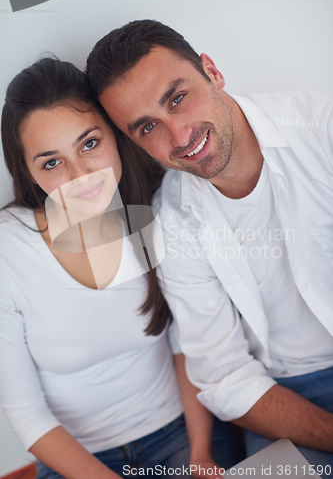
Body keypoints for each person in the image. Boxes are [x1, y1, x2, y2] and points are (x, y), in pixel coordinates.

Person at [85, 20, 333, 476]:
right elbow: (225, 378)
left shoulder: (323, 131)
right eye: (147, 127)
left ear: (212, 71)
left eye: (177, 98)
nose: (179, 137)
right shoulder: (174, 221)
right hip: (283, 398)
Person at [0, 58, 245, 479]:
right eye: (52, 162)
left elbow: (184, 345)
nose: (82, 176)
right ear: (28, 171)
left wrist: (201, 452)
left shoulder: (155, 212)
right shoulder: (9, 251)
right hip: (79, 458)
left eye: (89, 144)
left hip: (182, 432)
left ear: (114, 135)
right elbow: (27, 414)